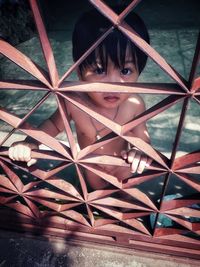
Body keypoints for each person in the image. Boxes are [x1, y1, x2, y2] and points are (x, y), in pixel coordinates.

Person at [8, 6, 152, 190]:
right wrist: (31, 142)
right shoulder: (73, 102)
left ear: (140, 70)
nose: (114, 83)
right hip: (90, 166)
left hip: (123, 164)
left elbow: (142, 135)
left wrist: (139, 151)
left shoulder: (134, 104)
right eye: (100, 70)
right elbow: (53, 125)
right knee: (96, 198)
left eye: (125, 70)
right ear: (79, 72)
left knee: (126, 196)